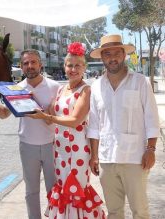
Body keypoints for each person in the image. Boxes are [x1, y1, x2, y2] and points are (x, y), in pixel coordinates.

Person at [26, 42, 105, 218]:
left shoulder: (86, 90)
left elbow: (75, 121)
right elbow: (49, 115)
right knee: (63, 188)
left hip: (78, 152)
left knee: (77, 190)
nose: (73, 69)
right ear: (65, 66)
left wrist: (47, 117)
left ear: (84, 68)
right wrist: (30, 100)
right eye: (70, 65)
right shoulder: (62, 89)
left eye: (78, 65)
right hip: (59, 150)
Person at [88, 34, 160, 219]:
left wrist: (151, 149)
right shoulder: (96, 86)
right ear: (102, 58)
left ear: (124, 55)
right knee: (113, 212)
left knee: (140, 211)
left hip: (135, 158)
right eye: (107, 54)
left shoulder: (140, 82)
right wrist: (94, 156)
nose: (112, 58)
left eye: (117, 53)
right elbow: (95, 125)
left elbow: (152, 118)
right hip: (107, 159)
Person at [0, 49, 60, 219]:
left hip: (50, 144)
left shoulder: (55, 87)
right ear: (21, 67)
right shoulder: (16, 88)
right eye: (25, 63)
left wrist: (32, 102)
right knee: (31, 191)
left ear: (40, 64)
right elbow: (3, 114)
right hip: (27, 146)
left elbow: (50, 120)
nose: (30, 66)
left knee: (54, 190)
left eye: (33, 62)